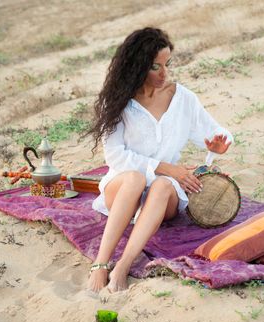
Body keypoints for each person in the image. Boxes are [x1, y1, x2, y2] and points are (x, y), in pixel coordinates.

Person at [87, 27, 233, 293]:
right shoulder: (118, 102)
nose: (164, 74)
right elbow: (116, 156)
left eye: (167, 65)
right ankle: (101, 264)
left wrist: (218, 145)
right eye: (155, 66)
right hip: (122, 188)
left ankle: (122, 266)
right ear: (137, 66)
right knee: (135, 177)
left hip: (164, 194)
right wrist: (167, 168)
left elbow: (215, 132)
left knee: (163, 185)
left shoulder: (183, 98)